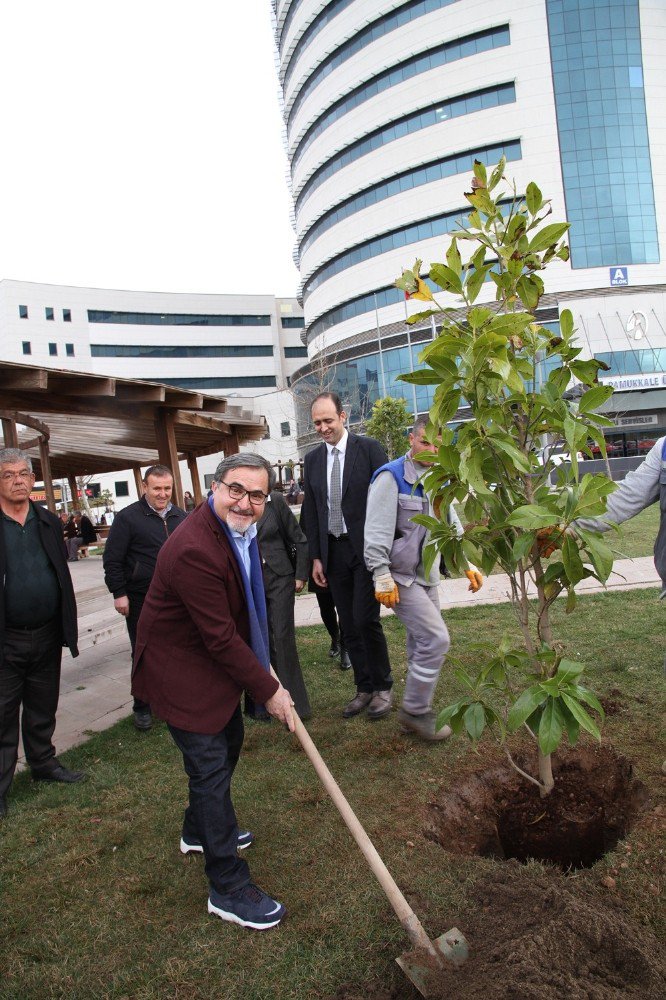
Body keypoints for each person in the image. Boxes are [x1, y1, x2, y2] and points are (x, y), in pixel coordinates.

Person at [131, 453, 295, 930]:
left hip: (209, 659)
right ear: (215, 486)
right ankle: (227, 886)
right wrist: (269, 690)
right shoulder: (194, 548)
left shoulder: (240, 530)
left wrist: (263, 663)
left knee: (228, 745)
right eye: (236, 490)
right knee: (209, 767)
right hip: (178, 668)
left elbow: (242, 607)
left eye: (257, 494)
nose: (245, 503)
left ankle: (196, 828)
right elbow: (220, 637)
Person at [364, 420, 483, 740]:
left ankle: (413, 716)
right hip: (400, 577)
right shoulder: (392, 478)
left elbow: (451, 522)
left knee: (421, 642)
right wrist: (380, 574)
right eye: (425, 442)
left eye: (438, 445)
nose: (431, 450)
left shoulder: (440, 478)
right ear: (411, 438)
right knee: (436, 639)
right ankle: (416, 710)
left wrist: (464, 563)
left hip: (428, 576)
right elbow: (375, 531)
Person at [0, 448, 84, 820]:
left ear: (32, 479)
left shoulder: (48, 521)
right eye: (8, 474)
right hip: (6, 638)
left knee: (42, 706)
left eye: (23, 473)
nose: (18, 480)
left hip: (47, 633)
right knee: (2, 715)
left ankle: (43, 764)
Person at [302, 392, 394, 720]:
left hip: (366, 550)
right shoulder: (312, 461)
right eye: (317, 423)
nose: (323, 428)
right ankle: (364, 688)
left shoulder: (368, 450)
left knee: (365, 618)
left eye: (328, 420)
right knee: (348, 623)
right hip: (333, 553)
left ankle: (383, 686)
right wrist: (315, 557)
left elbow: (388, 501)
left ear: (344, 416)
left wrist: (386, 550)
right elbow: (311, 512)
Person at [102, 465, 187, 730]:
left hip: (178, 599)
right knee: (143, 651)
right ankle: (142, 706)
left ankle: (173, 702)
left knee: (179, 651)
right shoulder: (127, 518)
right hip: (141, 598)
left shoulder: (182, 517)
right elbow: (112, 559)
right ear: (144, 487)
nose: (162, 494)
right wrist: (119, 593)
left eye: (167, 488)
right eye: (157, 488)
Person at [256, 489, 311, 719]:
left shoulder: (275, 501)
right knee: (260, 640)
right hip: (252, 580)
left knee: (282, 637)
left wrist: (301, 573)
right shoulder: (237, 503)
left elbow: (298, 538)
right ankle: (265, 703)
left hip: (280, 577)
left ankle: (297, 703)